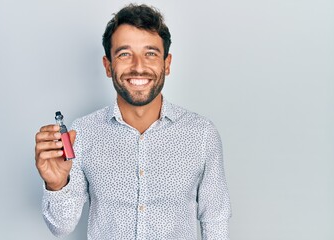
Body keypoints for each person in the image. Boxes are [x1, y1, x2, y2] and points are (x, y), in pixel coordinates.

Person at [35, 3, 231, 240]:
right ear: (108, 66)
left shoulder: (201, 134)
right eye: (124, 54)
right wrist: (57, 185)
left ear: (166, 64)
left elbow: (215, 220)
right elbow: (61, 227)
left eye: (150, 54)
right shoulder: (83, 132)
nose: (139, 67)